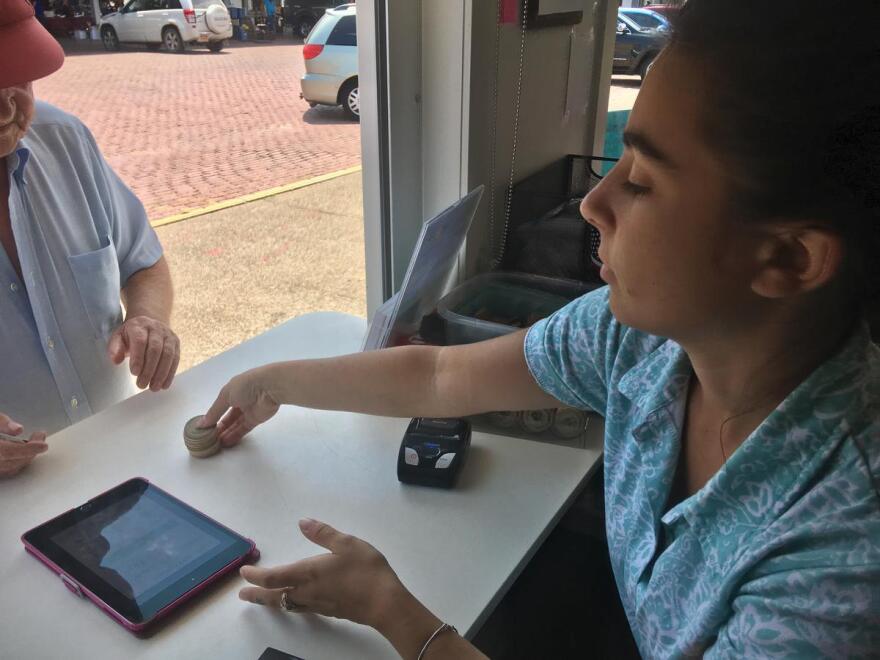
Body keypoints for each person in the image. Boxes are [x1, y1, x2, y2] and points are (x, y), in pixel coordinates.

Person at [202, 1, 880, 657]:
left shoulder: (842, 566)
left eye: (642, 182)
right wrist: (272, 383)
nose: (593, 202)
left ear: (789, 259)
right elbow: (441, 375)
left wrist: (392, 610)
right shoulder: (641, 340)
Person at [0, 0, 180, 477]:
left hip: (123, 462)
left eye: (21, 79)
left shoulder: (65, 139)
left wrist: (147, 319)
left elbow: (142, 262)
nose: (9, 108)